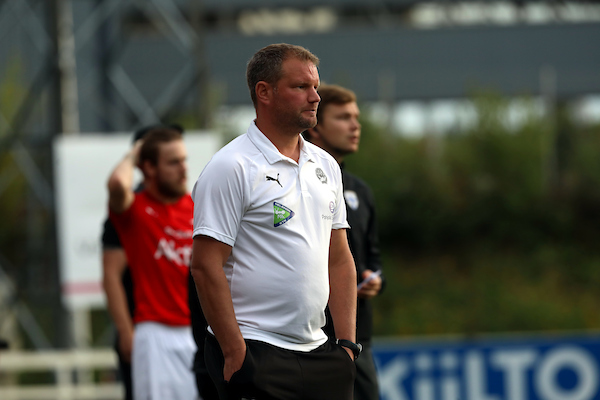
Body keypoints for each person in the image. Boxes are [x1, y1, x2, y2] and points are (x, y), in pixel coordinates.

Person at [190, 43, 359, 400]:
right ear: (263, 92)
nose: (315, 97)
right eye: (301, 87)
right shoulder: (231, 166)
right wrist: (235, 350)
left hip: (323, 352)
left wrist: (346, 345)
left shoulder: (326, 165)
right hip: (256, 348)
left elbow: (339, 259)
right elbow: (206, 266)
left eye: (315, 87)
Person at [304, 84, 385, 400]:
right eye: (343, 117)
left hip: (357, 338)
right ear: (316, 126)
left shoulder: (360, 191)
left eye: (356, 117)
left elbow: (373, 257)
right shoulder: (295, 183)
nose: (355, 126)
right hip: (309, 337)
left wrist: (375, 280)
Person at [107, 127, 197, 400]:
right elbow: (117, 185)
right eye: (173, 162)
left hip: (199, 333)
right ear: (148, 168)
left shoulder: (197, 206)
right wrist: (134, 153)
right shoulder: (136, 210)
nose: (183, 169)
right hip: (155, 335)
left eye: (184, 160)